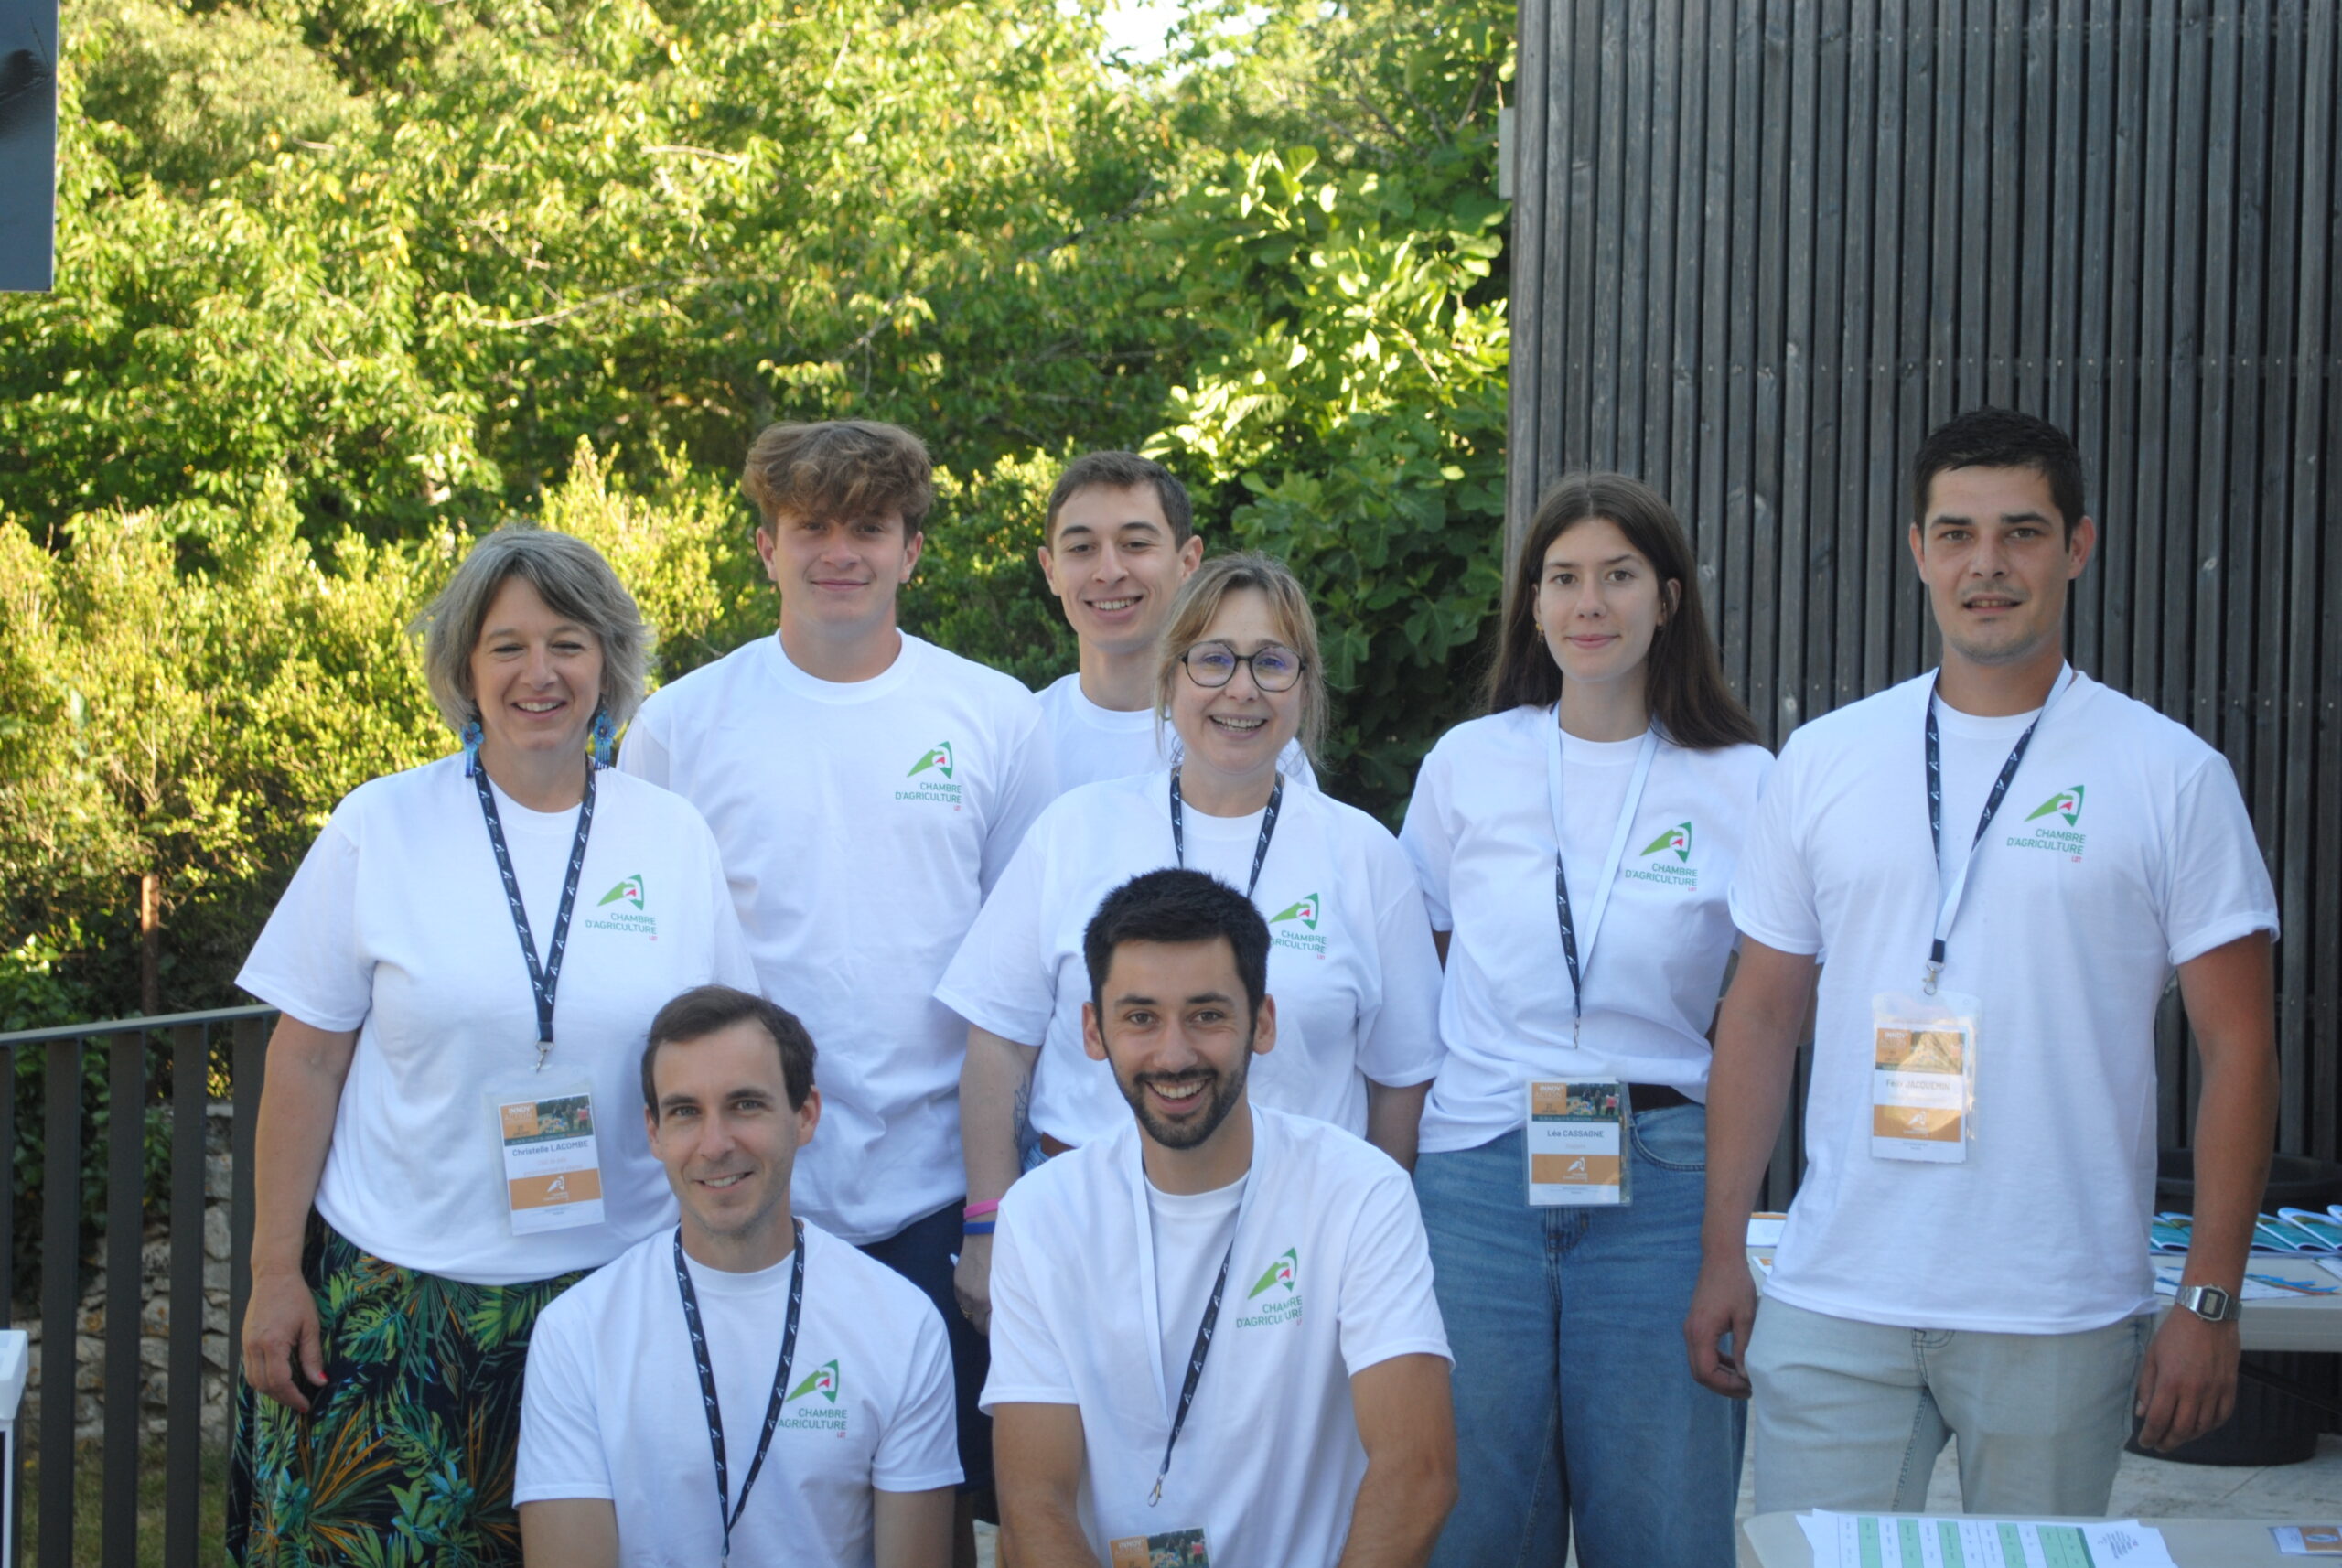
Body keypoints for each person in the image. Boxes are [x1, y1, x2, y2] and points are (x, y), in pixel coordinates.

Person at [1685, 407, 2280, 1516]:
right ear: (1916, 550)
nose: (1987, 565)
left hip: (2052, 1305)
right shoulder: (1824, 760)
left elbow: (2239, 1048)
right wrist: (1725, 1250)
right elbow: (1760, 1017)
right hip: (1837, 1295)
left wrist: (2208, 1301)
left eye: (2021, 532)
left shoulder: (2170, 775)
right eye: (1955, 534)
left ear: (2078, 546)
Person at [229, 527, 757, 1565]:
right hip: (394, 1300)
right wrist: (272, 1271)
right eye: (507, 645)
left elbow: (721, 1067)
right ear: (465, 669)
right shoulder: (378, 824)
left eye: (567, 641)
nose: (539, 673)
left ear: (607, 661)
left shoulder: (671, 836)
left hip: (616, 1291)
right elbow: (308, 1058)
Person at [618, 419, 1053, 1546]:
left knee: (935, 1510)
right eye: (811, 526)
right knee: (753, 1496)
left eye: (869, 526)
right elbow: (653, 961)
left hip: (933, 1198)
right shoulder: (678, 726)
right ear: (765, 546)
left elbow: (1025, 974)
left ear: (913, 550)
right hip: (750, 1189)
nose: (839, 552)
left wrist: (994, 1211)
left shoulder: (994, 714)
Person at [1398, 473, 1771, 1568]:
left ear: (1666, 598)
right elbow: (1421, 963)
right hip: (1474, 1181)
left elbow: (1769, 1005)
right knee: (1468, 1523)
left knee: (1661, 1527)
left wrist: (1728, 1238)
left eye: (1616, 576)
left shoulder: (1743, 779)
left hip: (1661, 1181)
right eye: (1562, 578)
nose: (1588, 603)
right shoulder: (1468, 763)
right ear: (1531, 603)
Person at [941, 553, 1443, 1332]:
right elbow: (999, 1041)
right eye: (1212, 659)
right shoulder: (1076, 830)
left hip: (1294, 1242)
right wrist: (988, 1221)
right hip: (1086, 1227)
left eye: (1271, 662)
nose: (1241, 689)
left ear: (1304, 685)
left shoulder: (1363, 854)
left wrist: (1365, 1233)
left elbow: (1400, 1080)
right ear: (1169, 678)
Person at [983, 869, 1456, 1567]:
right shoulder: (1042, 1214)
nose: (1174, 1054)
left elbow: (1417, 1473)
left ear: (1262, 1023)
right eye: (1140, 1017)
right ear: (1093, 1030)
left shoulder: (1359, 1192)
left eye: (1207, 1014)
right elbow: (1035, 1506)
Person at [516, 985, 959, 1568]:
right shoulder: (575, 1333)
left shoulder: (903, 1325)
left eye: (745, 1105)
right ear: (653, 1132)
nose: (715, 1144)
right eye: (685, 1112)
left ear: (805, 1115)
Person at [1034, 451, 1314, 790]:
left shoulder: (1252, 739)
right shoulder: (1016, 737)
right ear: (1051, 570)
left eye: (1136, 544)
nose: (1109, 572)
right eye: (1081, 548)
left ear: (1188, 561)